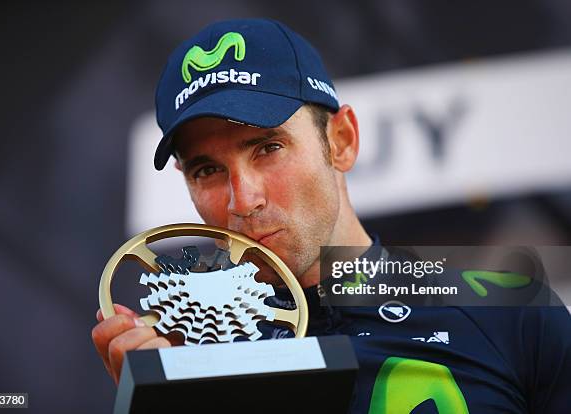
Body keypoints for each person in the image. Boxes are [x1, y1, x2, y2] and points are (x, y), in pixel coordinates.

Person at [92, 18, 571, 413]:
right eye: (207, 170)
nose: (243, 200)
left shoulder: (511, 315)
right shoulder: (189, 359)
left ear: (341, 140)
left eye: (268, 147)